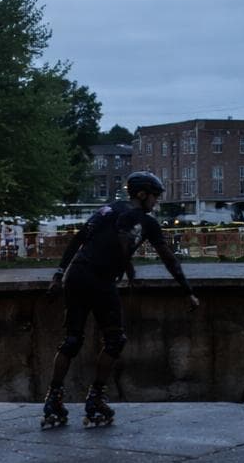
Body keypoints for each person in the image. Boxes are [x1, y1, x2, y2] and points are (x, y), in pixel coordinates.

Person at [40, 171, 198, 428]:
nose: (156, 202)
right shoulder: (147, 222)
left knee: (72, 339)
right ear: (142, 194)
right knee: (115, 340)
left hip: (77, 274)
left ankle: (53, 398)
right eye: (155, 197)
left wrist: (59, 274)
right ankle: (95, 398)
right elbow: (168, 257)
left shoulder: (107, 210)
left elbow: (79, 239)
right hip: (101, 280)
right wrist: (187, 290)